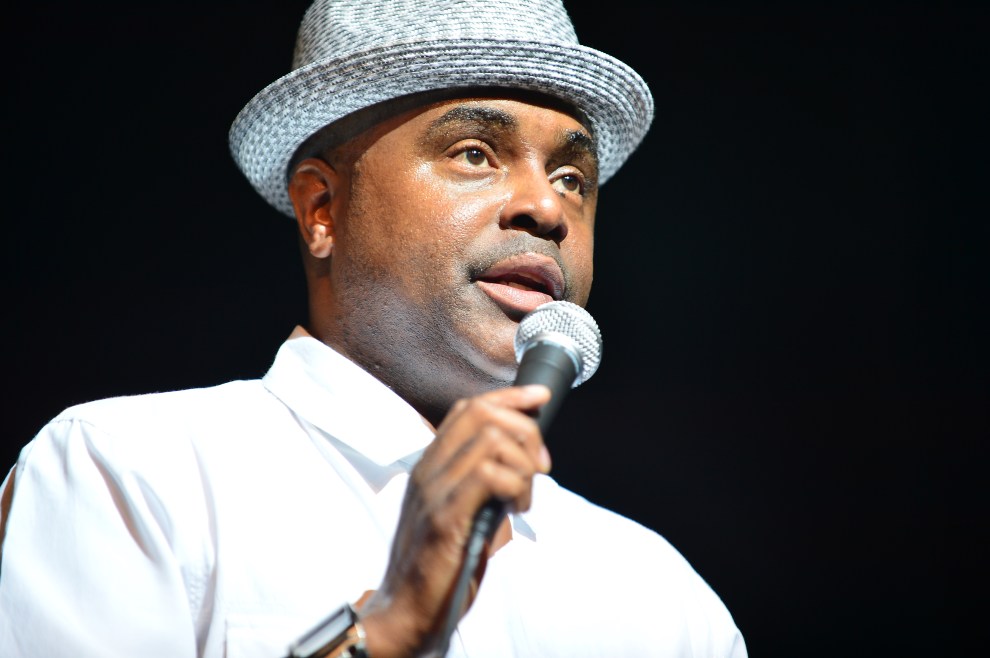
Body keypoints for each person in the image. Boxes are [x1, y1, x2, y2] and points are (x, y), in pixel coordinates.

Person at [0, 1, 746, 656]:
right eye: (475, 154)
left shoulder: (662, 602)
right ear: (322, 210)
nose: (547, 209)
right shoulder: (132, 475)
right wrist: (386, 633)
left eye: (571, 178)